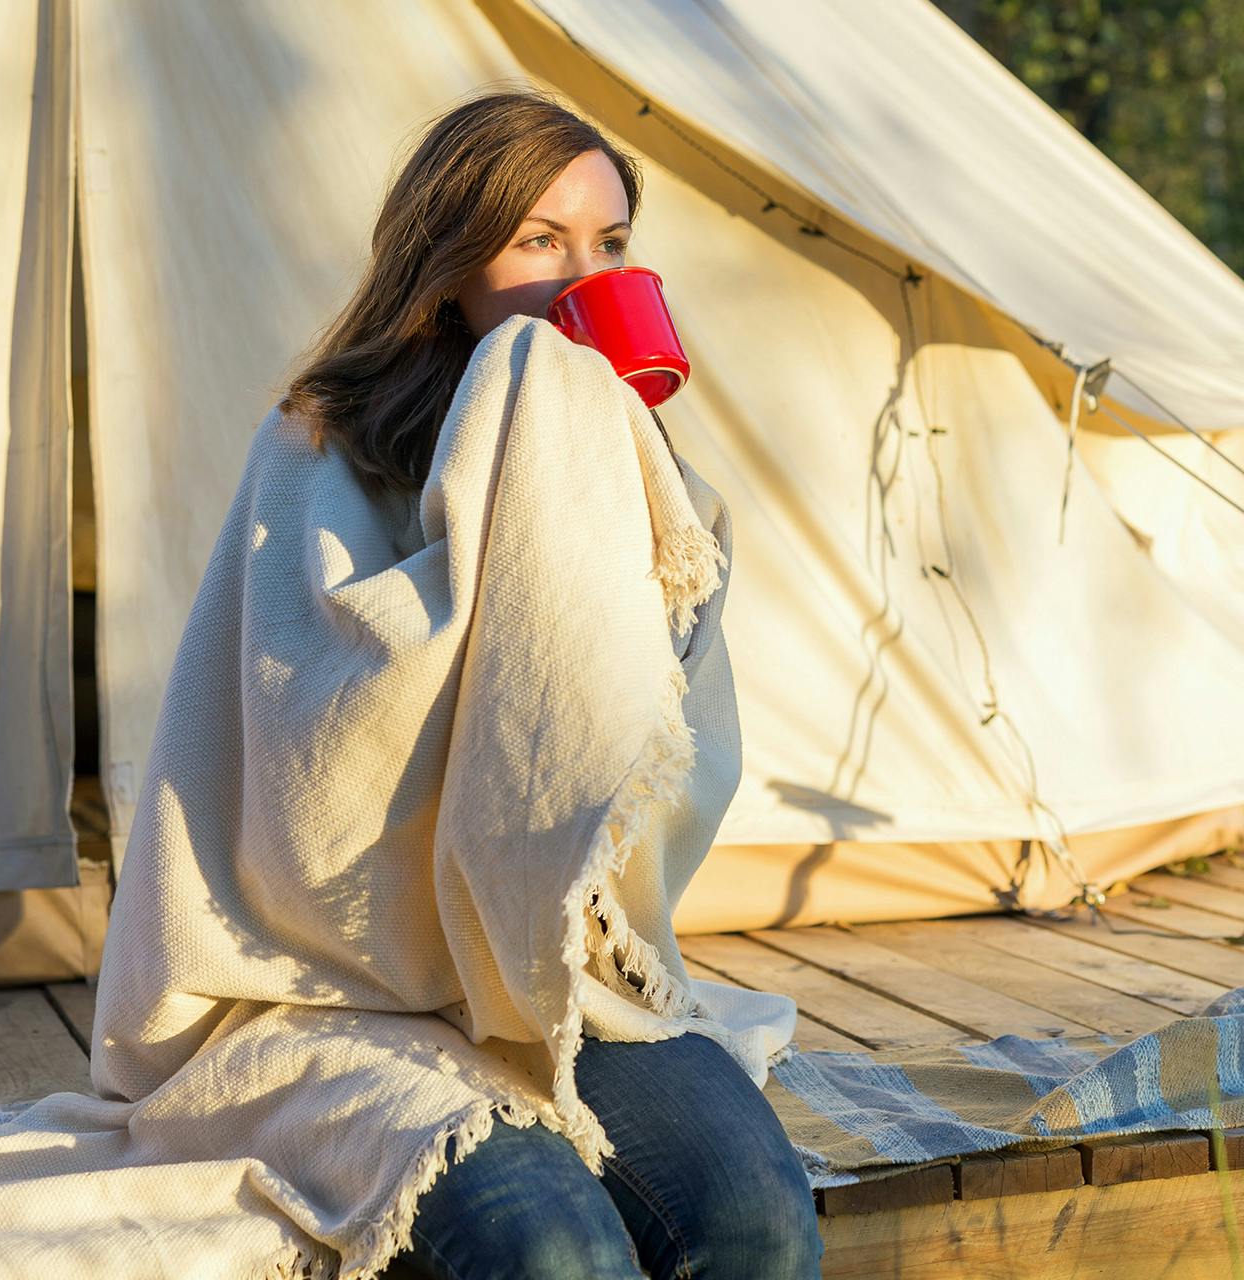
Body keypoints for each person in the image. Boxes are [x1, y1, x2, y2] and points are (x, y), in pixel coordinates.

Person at [276, 89, 825, 1280]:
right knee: (552, 1248)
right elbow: (300, 742)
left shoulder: (660, 493)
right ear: (451, 263)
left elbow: (672, 759)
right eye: (540, 241)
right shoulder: (320, 453)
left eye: (612, 247)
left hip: (565, 969)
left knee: (761, 1220)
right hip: (350, 986)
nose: (583, 281)